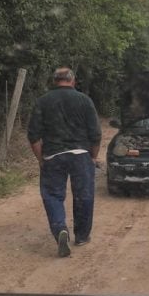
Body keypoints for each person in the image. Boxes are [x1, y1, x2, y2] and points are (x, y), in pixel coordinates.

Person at [28, 67, 102, 257]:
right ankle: (82, 236)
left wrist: (41, 159)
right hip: (81, 154)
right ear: (73, 81)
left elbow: (33, 136)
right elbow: (96, 134)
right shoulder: (85, 100)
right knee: (83, 195)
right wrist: (93, 156)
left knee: (52, 195)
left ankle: (60, 228)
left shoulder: (43, 101)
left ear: (54, 81)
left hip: (53, 155)